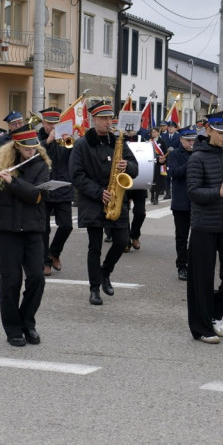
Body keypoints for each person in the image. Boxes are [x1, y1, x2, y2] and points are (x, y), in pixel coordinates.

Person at [0, 128, 50, 346]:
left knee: (37, 278)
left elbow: (36, 195)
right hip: (7, 231)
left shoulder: (41, 166)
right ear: (15, 145)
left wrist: (12, 182)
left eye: (33, 145)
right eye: (25, 146)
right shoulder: (0, 165)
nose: (30, 149)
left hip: (33, 230)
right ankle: (13, 329)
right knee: (10, 282)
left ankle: (27, 322)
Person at [185, 110, 223, 344]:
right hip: (204, 224)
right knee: (201, 278)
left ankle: (215, 312)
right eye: (221, 132)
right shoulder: (197, 158)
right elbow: (193, 192)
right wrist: (218, 191)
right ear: (208, 130)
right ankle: (201, 328)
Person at [69, 100, 138, 305]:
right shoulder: (82, 144)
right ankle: (94, 288)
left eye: (110, 118)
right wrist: (99, 193)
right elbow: (76, 175)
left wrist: (128, 165)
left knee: (121, 240)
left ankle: (105, 272)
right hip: (93, 200)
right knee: (95, 247)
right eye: (104, 119)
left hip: (117, 198)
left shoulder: (118, 141)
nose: (109, 122)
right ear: (94, 120)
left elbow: (135, 166)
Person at [37, 106, 74, 276]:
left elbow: (74, 160)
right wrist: (48, 142)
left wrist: (71, 143)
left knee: (66, 226)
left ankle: (54, 253)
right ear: (43, 122)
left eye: (56, 123)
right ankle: (45, 261)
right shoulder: (36, 139)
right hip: (44, 189)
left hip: (62, 187)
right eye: (49, 123)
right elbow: (32, 157)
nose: (52, 127)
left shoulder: (66, 140)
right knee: (43, 228)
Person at [167, 126, 197, 281]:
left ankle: (194, 264)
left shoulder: (199, 153)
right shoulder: (175, 154)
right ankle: (182, 266)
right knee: (182, 236)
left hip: (198, 201)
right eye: (188, 140)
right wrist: (191, 162)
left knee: (197, 237)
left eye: (193, 140)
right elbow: (174, 173)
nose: (191, 143)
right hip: (181, 202)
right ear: (181, 139)